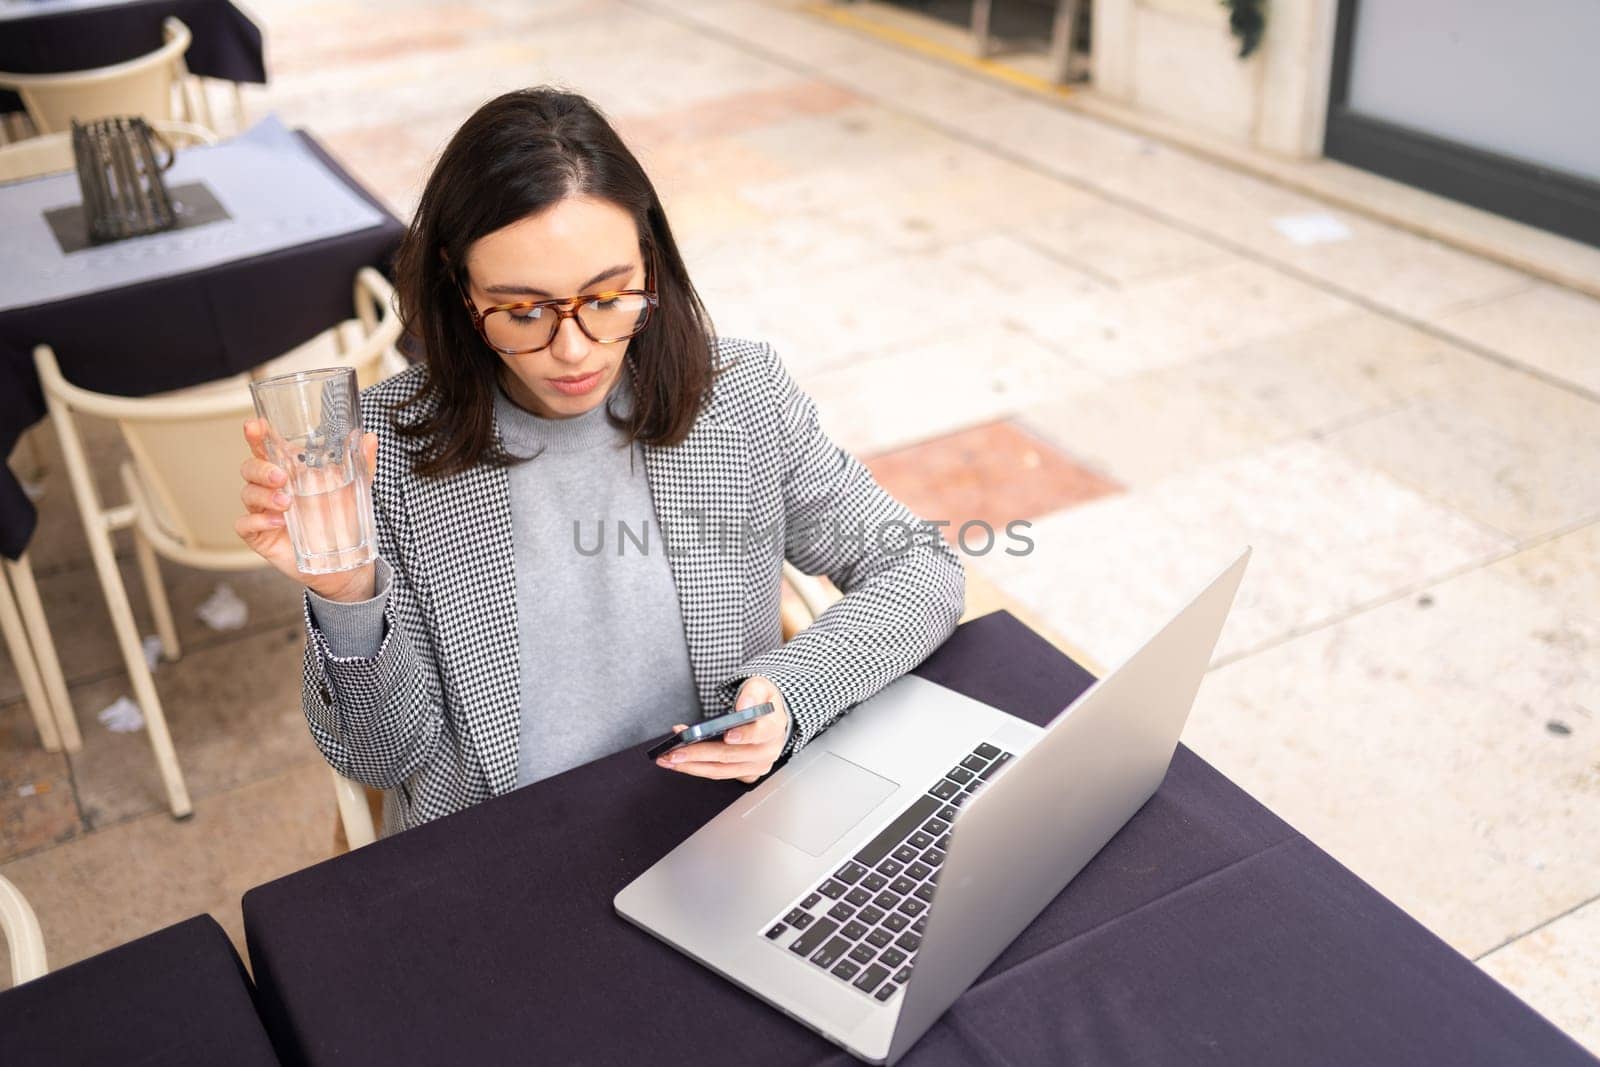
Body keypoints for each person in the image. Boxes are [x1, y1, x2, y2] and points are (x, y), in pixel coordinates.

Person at [235, 87, 964, 835]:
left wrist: (794, 689)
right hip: (497, 851)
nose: (575, 350)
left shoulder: (742, 397)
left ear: (649, 261)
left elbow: (922, 566)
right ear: (459, 289)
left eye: (609, 295)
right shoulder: (381, 449)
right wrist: (349, 593)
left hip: (713, 823)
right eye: (523, 312)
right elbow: (380, 760)